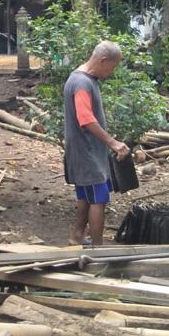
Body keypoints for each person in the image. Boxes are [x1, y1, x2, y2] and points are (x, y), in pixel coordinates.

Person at [63, 41, 131, 246]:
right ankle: (97, 248)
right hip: (87, 151)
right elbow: (85, 118)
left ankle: (76, 236)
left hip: (84, 150)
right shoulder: (82, 83)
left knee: (86, 195)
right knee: (99, 198)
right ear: (103, 60)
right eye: (112, 66)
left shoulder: (81, 79)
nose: (111, 72)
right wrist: (113, 143)